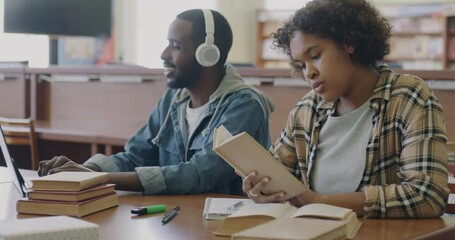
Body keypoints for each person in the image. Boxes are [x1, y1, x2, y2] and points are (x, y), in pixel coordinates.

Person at [241, 0, 449, 218]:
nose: (309, 73)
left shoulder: (409, 97)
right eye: (301, 65)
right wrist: (261, 188)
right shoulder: (306, 110)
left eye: (315, 56)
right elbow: (278, 175)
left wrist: (323, 203)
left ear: (347, 42)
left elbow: (428, 196)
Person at [38, 9, 274, 196]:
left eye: (176, 46)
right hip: (178, 221)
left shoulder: (244, 105)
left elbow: (199, 173)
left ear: (207, 55)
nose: (164, 54)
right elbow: (135, 156)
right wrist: (87, 170)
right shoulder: (174, 100)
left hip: (225, 227)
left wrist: (101, 179)